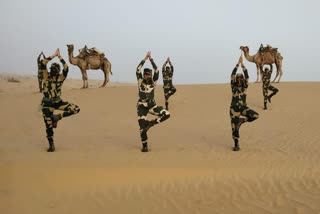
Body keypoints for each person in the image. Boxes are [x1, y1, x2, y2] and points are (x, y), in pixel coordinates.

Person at [40, 49, 80, 152]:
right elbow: (43, 63)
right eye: (52, 69)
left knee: (75, 109)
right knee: (48, 125)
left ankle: (57, 117)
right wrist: (53, 55)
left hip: (58, 103)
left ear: (58, 70)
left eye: (55, 69)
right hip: (46, 105)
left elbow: (66, 68)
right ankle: (51, 144)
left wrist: (60, 57)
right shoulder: (46, 76)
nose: (53, 70)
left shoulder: (61, 78)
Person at [136, 51, 170, 152]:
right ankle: (145, 145)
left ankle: (151, 123)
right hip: (142, 106)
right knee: (142, 128)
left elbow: (157, 70)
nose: (148, 76)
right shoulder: (140, 81)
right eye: (146, 75)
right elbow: (138, 69)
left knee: (166, 114)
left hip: (151, 105)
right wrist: (145, 58)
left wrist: (151, 60)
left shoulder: (153, 82)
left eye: (149, 75)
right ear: (143, 76)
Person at [230, 55, 259, 151]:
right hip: (234, 110)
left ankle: (242, 121)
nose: (238, 80)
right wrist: (237, 64)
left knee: (255, 115)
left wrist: (242, 64)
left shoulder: (245, 86)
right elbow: (232, 75)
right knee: (234, 128)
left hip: (243, 108)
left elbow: (247, 75)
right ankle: (236, 144)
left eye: (240, 78)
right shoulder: (233, 87)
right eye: (237, 78)